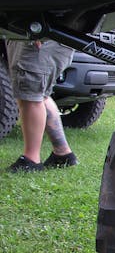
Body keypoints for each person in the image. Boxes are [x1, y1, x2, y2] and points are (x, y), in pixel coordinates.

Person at [5, 39, 78, 172]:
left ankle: (31, 160)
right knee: (40, 95)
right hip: (47, 39)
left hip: (38, 39)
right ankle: (62, 154)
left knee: (30, 96)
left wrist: (37, 34)